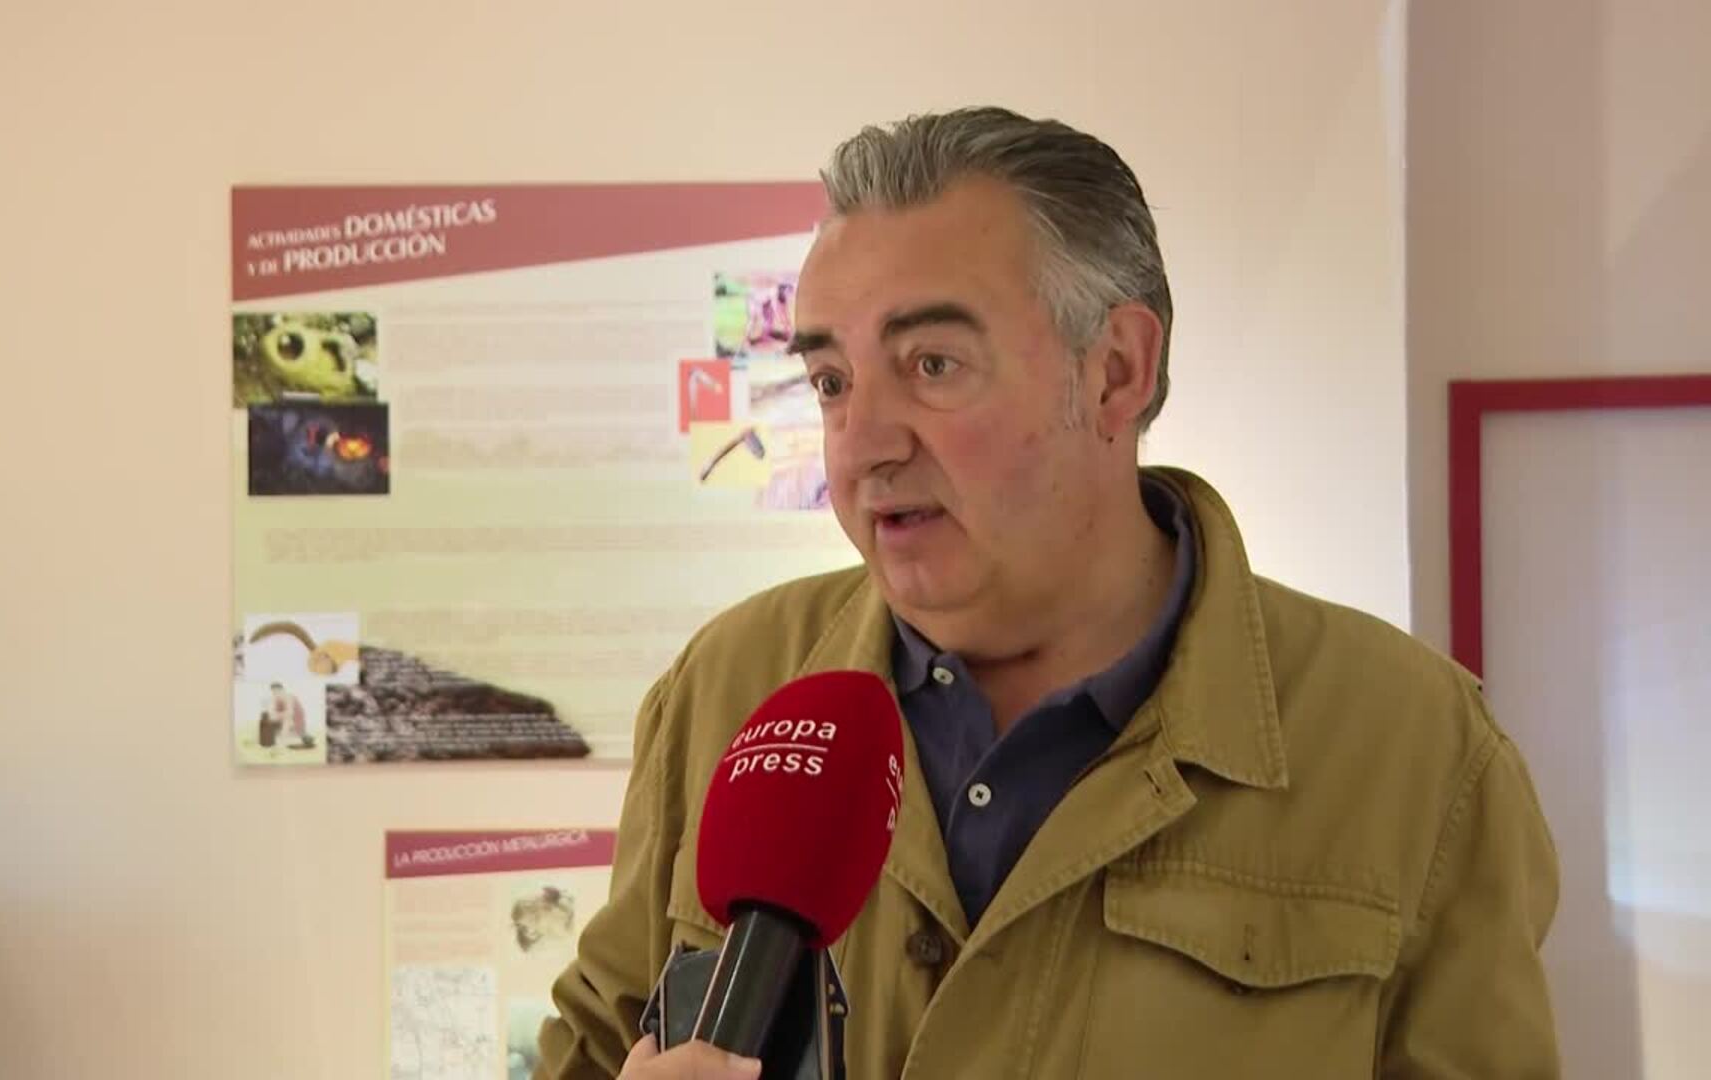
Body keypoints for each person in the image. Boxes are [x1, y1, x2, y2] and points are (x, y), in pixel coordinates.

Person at [537, 107, 1560, 1079]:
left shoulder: (1414, 746)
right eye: (833, 383)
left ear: (1115, 372)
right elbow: (590, 1048)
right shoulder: (730, 685)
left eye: (932, 364)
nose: (862, 447)